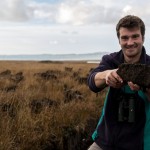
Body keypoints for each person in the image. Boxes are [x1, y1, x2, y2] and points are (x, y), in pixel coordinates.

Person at [87, 15, 150, 150]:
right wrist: (107, 75)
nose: (130, 42)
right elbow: (92, 81)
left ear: (143, 38)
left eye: (135, 36)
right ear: (119, 40)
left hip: (141, 142)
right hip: (107, 139)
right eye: (125, 38)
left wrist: (144, 87)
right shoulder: (111, 60)